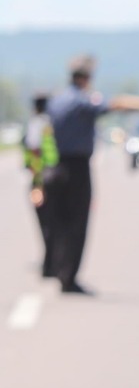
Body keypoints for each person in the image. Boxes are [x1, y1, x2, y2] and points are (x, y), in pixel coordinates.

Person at [45, 57, 139, 294]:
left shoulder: (58, 100)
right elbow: (117, 104)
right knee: (77, 224)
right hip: (77, 168)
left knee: (59, 223)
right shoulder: (81, 100)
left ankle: (56, 268)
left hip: (56, 165)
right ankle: (68, 277)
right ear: (86, 79)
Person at [23, 92, 58, 278]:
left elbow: (35, 153)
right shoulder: (54, 122)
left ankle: (50, 264)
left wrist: (37, 184)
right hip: (58, 178)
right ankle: (54, 262)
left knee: (46, 224)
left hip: (42, 179)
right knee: (57, 222)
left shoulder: (37, 124)